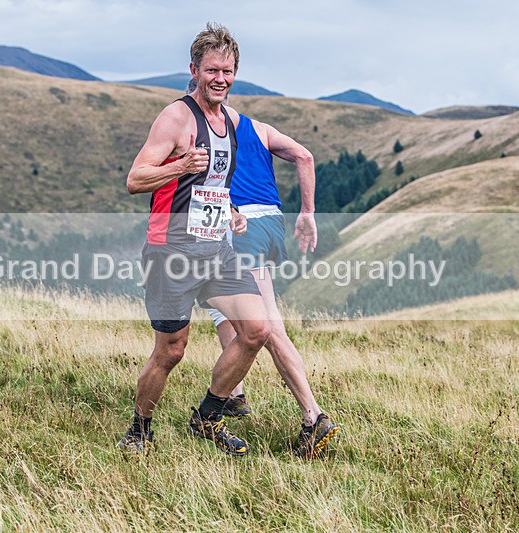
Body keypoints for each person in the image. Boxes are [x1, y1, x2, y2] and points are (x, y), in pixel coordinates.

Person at [118, 23, 270, 457]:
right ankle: (139, 430)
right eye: (212, 70)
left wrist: (233, 214)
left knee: (256, 329)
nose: (220, 78)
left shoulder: (230, 124)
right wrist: (179, 166)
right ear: (195, 70)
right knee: (171, 351)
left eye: (228, 71)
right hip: (172, 250)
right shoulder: (177, 117)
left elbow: (215, 186)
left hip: (216, 248)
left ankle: (208, 417)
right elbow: (135, 179)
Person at [186, 79, 339, 458]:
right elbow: (304, 157)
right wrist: (307, 213)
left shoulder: (207, 129)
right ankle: (234, 397)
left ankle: (312, 416)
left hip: (243, 225)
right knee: (224, 306)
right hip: (271, 224)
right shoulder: (260, 128)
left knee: (267, 325)